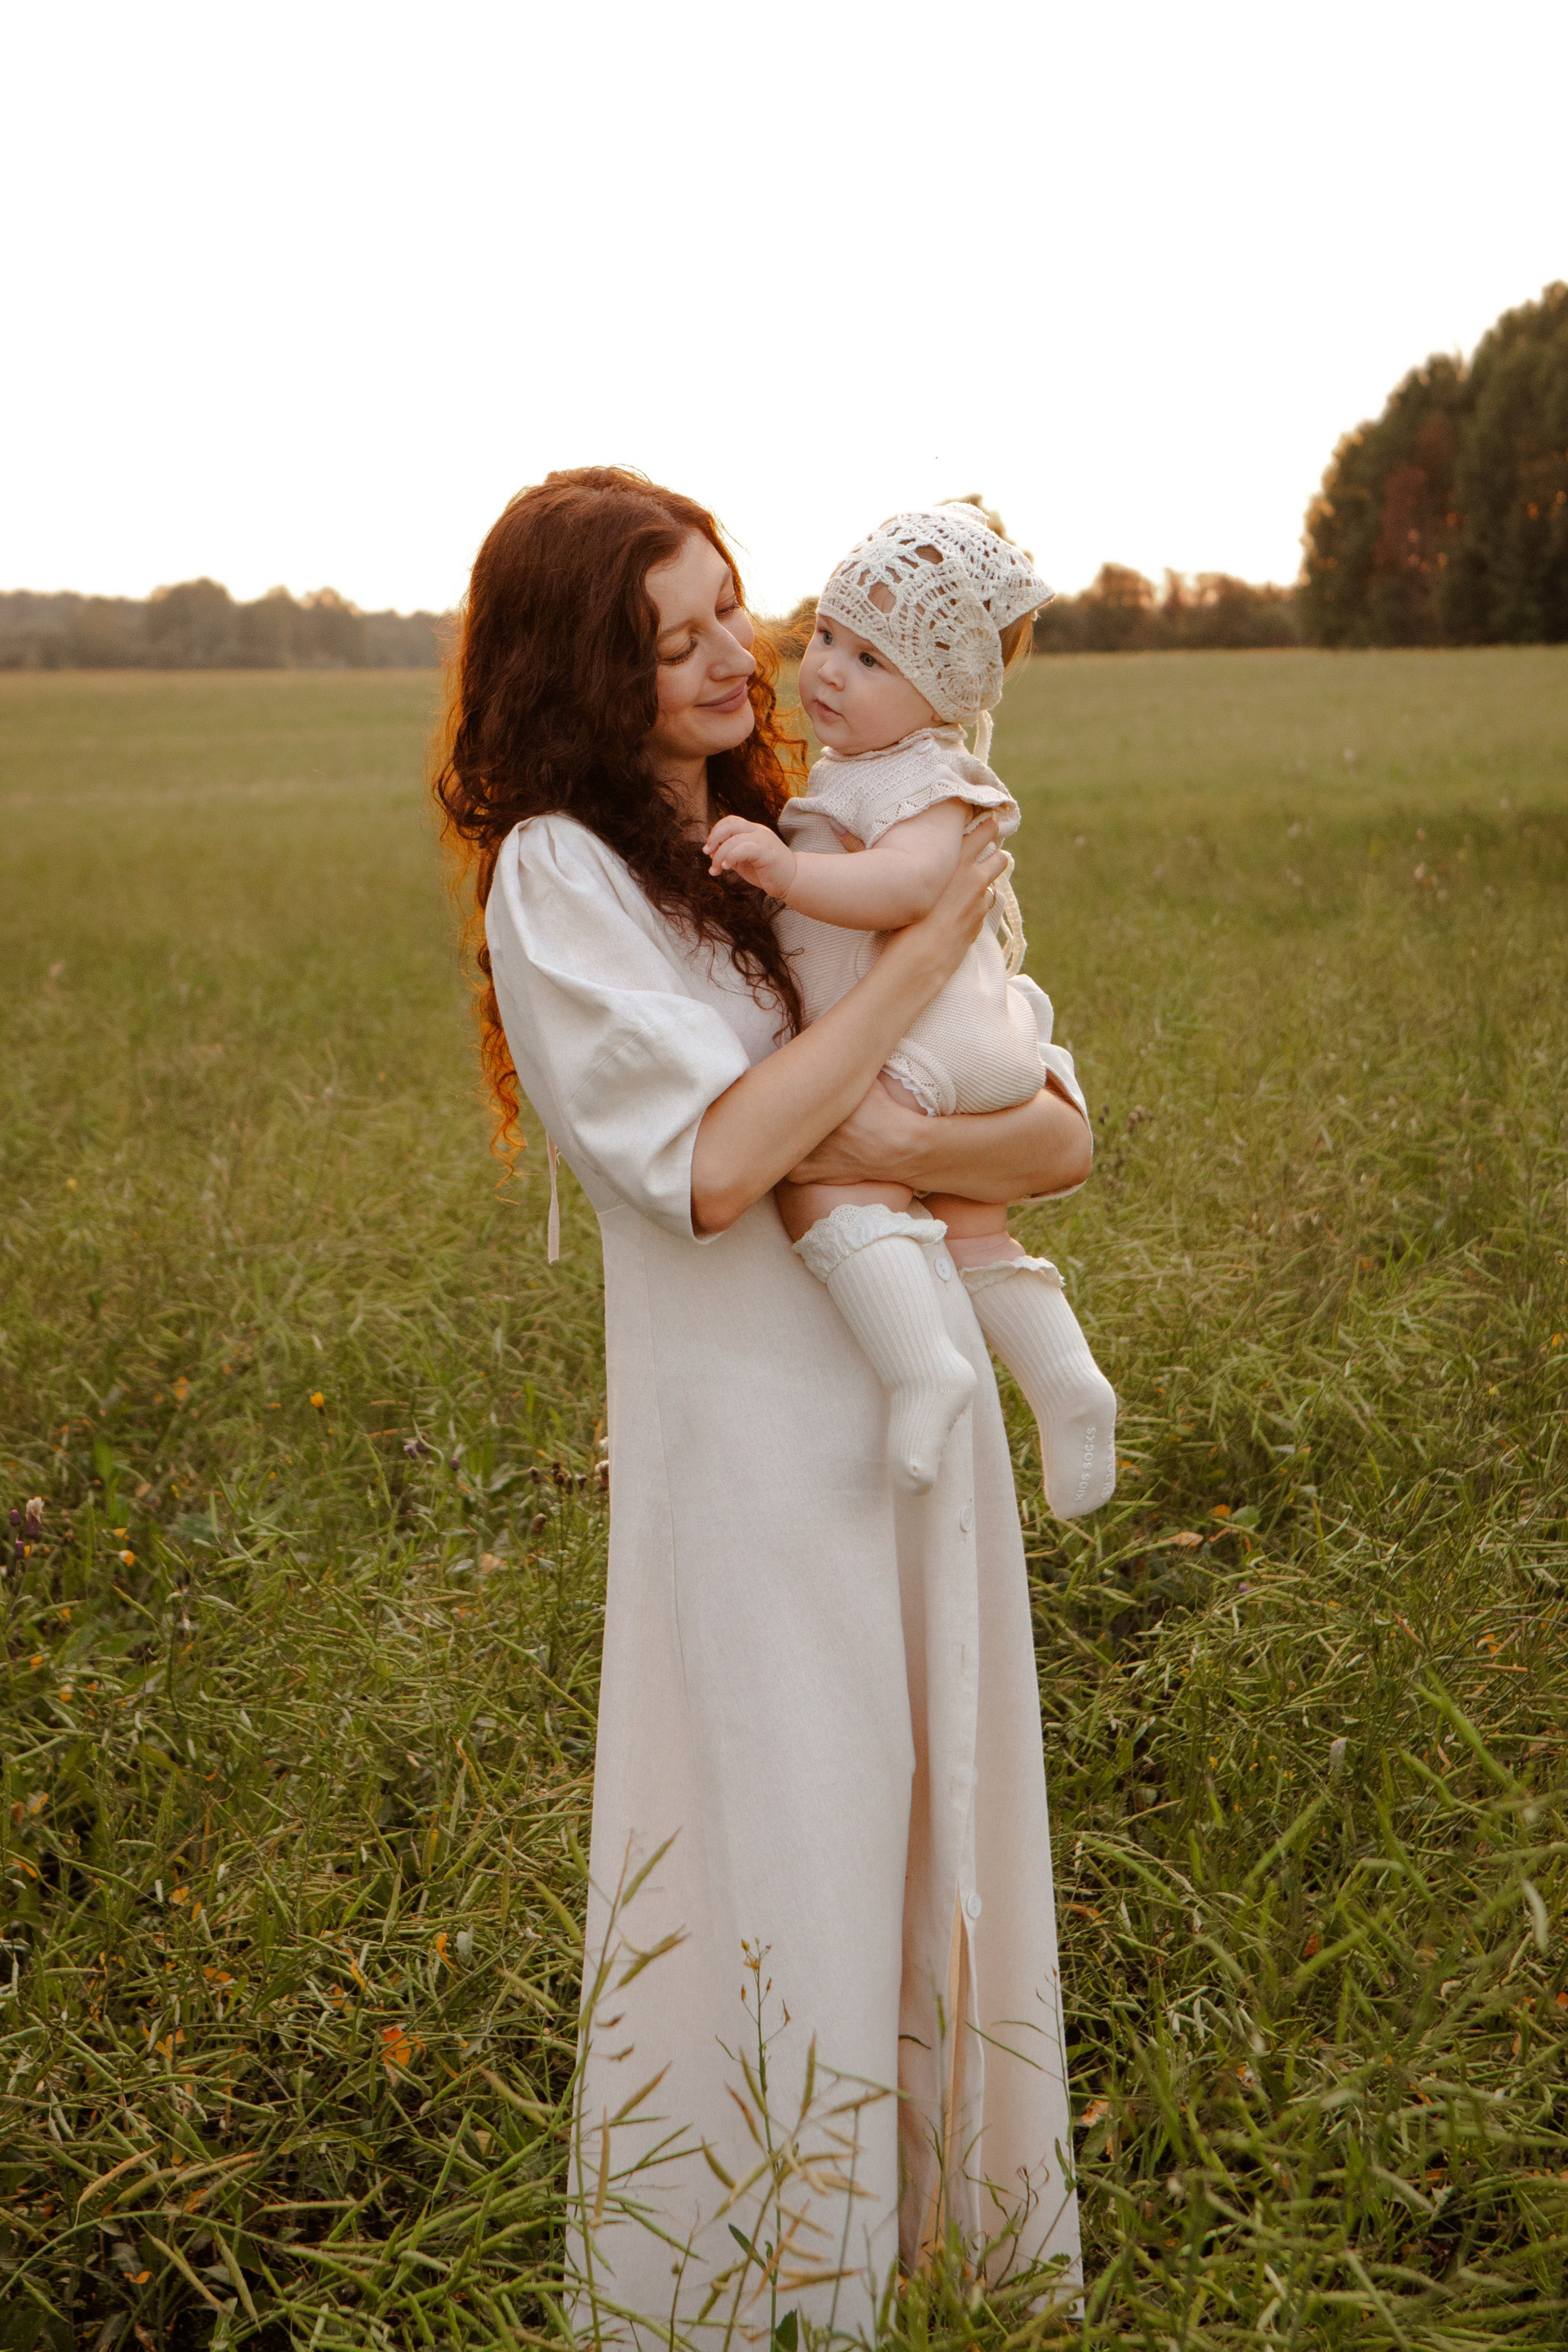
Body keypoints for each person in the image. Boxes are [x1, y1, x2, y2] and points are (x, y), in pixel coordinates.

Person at [434, 467, 1091, 2344]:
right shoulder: (563, 879)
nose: (741, 654)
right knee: (789, 1864)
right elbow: (713, 1166)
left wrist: (874, 1107)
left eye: (731, 604)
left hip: (917, 1431)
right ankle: (769, 2303)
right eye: (678, 638)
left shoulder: (815, 822)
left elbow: (1057, 1132)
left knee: (937, 1853)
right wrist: (909, 1001)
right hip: (755, 1468)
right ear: (585, 672)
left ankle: (949, 2281)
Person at [703, 506, 1117, 1516]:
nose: (829, 672)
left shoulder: (929, 779)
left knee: (827, 1188)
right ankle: (1068, 1384)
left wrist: (788, 871)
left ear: (944, 694)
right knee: (974, 1228)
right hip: (945, 1040)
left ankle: (920, 1369)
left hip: (928, 1042)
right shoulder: (874, 768)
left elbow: (908, 888)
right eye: (827, 636)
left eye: (872, 660)